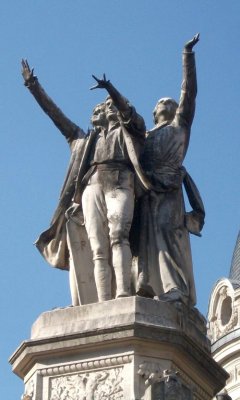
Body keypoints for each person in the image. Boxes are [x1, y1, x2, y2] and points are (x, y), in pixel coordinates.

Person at [21, 61, 146, 304]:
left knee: (119, 235)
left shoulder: (130, 132)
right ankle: (103, 300)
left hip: (120, 182)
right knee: (98, 248)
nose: (103, 109)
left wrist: (110, 89)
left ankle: (122, 292)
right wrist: (33, 86)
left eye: (109, 105)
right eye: (101, 107)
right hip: (92, 186)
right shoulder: (84, 140)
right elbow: (56, 116)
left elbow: (129, 113)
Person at [138, 34, 204, 306]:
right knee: (144, 240)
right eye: (160, 102)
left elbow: (189, 93)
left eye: (170, 102)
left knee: (168, 233)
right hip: (146, 189)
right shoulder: (143, 136)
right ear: (154, 113)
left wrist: (187, 55)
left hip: (169, 189)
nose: (165, 102)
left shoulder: (179, 128)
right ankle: (146, 285)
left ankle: (175, 288)